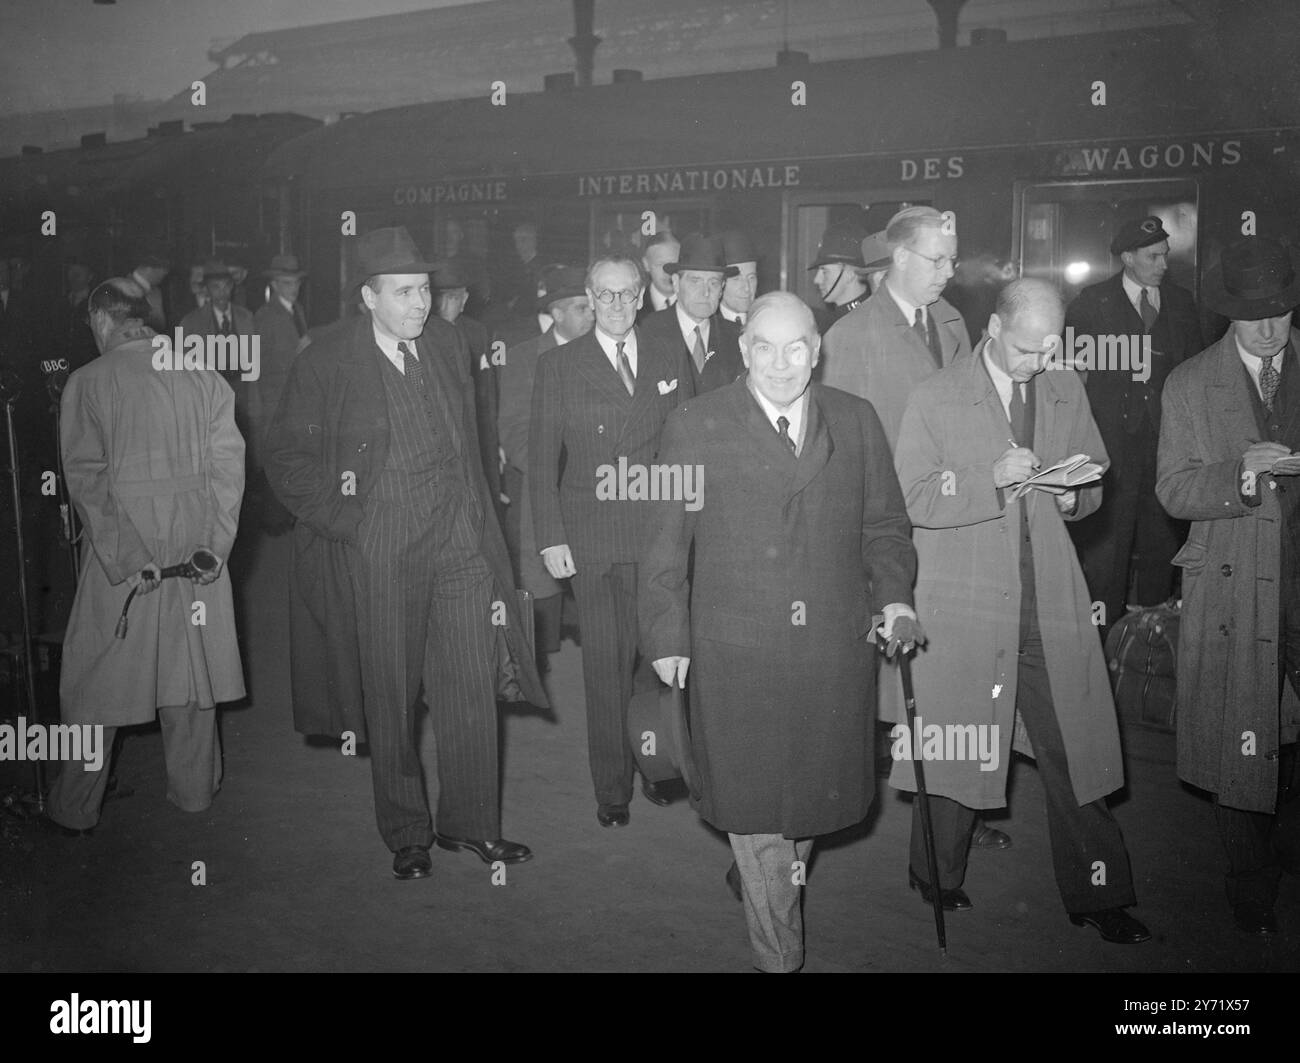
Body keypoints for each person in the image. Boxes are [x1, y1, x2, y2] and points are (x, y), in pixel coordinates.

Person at [639, 291, 919, 972]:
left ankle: (768, 883)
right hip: (736, 649)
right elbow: (664, 543)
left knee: (808, 807)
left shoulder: (855, 420)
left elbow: (884, 525)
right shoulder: (696, 424)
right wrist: (666, 633)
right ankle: (779, 954)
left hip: (831, 648)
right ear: (744, 351)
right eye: (765, 346)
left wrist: (896, 599)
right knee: (757, 803)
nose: (782, 363)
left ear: (816, 350)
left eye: (797, 347)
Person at [265, 227, 545, 879]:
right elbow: (285, 456)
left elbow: (470, 434)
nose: (420, 303)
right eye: (404, 292)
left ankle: (471, 824)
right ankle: (407, 832)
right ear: (369, 296)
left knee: (472, 681)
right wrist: (350, 521)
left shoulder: (450, 341)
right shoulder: (326, 358)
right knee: (389, 691)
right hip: (383, 543)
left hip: (460, 537)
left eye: (423, 289)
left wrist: (485, 519)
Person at [892, 278, 1149, 944]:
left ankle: (1099, 891)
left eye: (1052, 346)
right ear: (995, 331)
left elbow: (1094, 475)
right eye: (1031, 348)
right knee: (961, 739)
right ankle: (936, 871)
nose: (1043, 359)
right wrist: (991, 479)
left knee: (1076, 747)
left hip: (1048, 600)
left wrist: (1073, 499)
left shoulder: (1064, 387)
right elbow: (913, 496)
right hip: (968, 596)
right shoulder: (937, 396)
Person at [43, 278, 245, 834]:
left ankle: (75, 809)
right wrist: (213, 547)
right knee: (192, 675)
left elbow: (86, 481)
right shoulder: (202, 372)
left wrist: (130, 557)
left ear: (102, 320)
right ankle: (194, 793)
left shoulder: (88, 381)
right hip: (197, 550)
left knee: (94, 682)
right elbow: (229, 471)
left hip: (127, 552)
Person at [1156, 235, 1300, 936]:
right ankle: (1251, 893)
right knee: (1242, 736)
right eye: (1255, 316)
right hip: (1238, 584)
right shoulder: (1189, 384)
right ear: (1227, 314)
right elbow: (1174, 488)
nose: (1271, 328)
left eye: (1281, 311)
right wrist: (1241, 473)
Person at [529, 253, 695, 826]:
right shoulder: (558, 366)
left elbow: (688, 443)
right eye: (606, 295)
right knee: (604, 670)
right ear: (589, 297)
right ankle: (611, 789)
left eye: (628, 293)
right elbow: (542, 459)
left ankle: (659, 766)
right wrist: (549, 536)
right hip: (594, 538)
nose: (618, 305)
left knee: (660, 664)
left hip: (656, 538)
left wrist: (690, 525)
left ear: (645, 294)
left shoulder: (669, 355)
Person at [1067, 216, 1203, 634]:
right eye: (1153, 256)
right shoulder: (1091, 304)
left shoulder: (1181, 303)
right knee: (1107, 549)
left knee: (1161, 544)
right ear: (1127, 258)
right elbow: (1073, 376)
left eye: (1165, 255)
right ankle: (1102, 639)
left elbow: (1194, 372)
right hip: (1110, 450)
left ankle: (1153, 641)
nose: (1163, 264)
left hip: (1165, 447)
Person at [498, 264, 593, 672]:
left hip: (597, 491)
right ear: (555, 314)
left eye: (592, 306)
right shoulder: (523, 359)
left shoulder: (608, 354)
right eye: (580, 308)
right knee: (540, 580)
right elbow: (514, 429)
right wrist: (553, 469)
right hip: (543, 486)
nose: (591, 315)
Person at [820, 206, 970, 447]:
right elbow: (838, 440)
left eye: (952, 260)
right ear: (901, 257)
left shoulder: (952, 321)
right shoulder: (848, 336)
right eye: (937, 260)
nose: (950, 272)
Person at [433, 260, 503, 521]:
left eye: (464, 295)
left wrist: (495, 441)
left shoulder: (475, 332)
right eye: (455, 297)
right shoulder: (422, 333)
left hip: (477, 431)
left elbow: (488, 392)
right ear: (438, 299)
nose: (463, 302)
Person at [638, 232, 744, 394]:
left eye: (713, 283)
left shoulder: (735, 336)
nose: (705, 292)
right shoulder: (648, 331)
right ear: (676, 283)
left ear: (722, 288)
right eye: (695, 281)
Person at [248, 253, 309, 533]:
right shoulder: (265, 316)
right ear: (274, 284)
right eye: (286, 283)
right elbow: (256, 364)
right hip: (274, 400)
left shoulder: (296, 311)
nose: (293, 288)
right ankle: (273, 521)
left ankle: (285, 515)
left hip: (293, 399)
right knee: (275, 460)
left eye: (296, 282)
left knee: (290, 459)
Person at [809, 224, 872, 333]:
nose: (817, 280)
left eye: (825, 271)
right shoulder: (827, 322)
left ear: (850, 274)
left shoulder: (869, 324)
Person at [636, 231, 679, 323]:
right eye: (660, 264)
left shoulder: (695, 303)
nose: (667, 272)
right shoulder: (634, 307)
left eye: (673, 264)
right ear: (646, 264)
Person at [719, 230, 758, 327]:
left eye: (751, 278)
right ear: (720, 283)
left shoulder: (765, 322)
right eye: (736, 279)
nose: (747, 288)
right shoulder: (706, 328)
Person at [128, 249, 170, 331]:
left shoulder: (157, 291)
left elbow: (161, 324)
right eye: (163, 271)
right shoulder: (121, 288)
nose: (164, 275)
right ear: (150, 268)